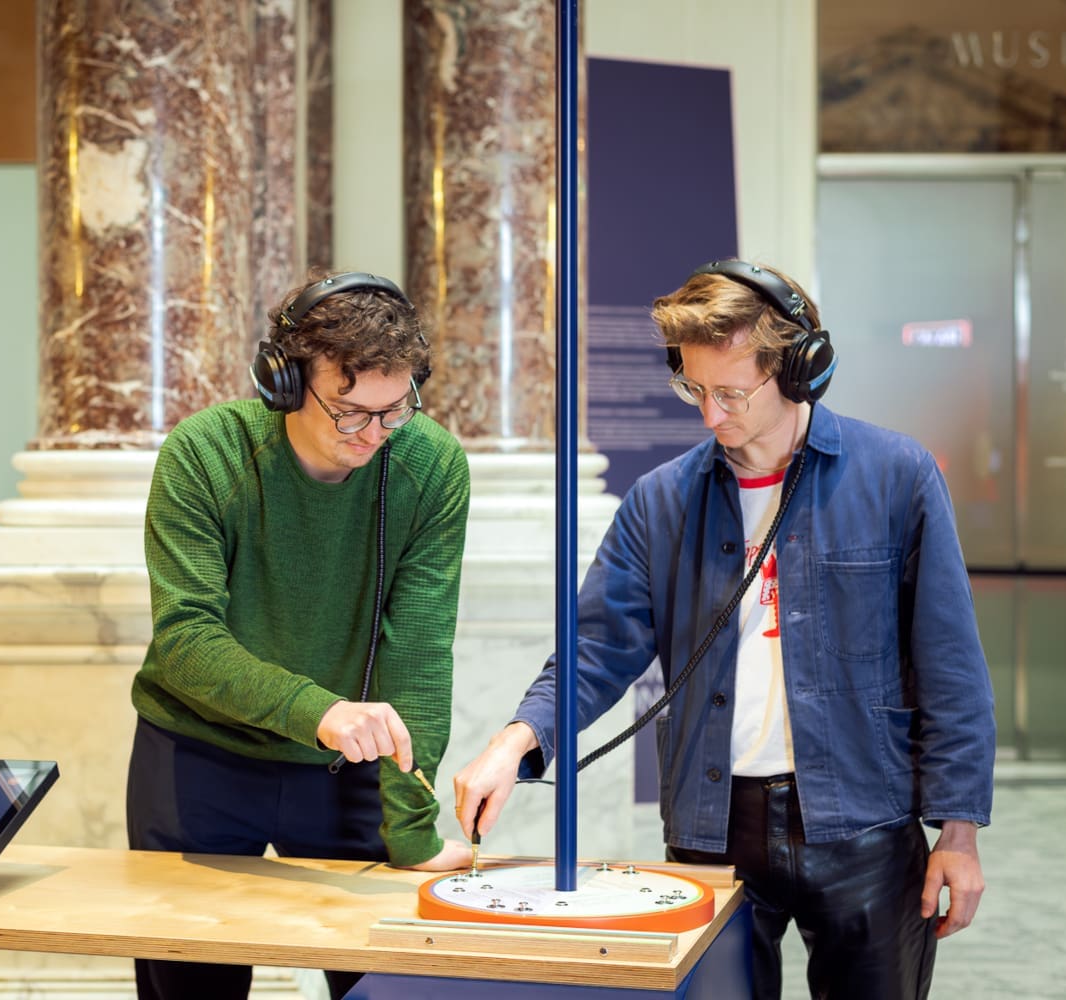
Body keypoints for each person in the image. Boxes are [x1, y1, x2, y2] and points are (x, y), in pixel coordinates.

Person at [453, 259, 994, 999]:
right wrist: (516, 739)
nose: (710, 415)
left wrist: (958, 833)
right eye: (694, 390)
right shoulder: (660, 499)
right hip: (713, 825)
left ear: (799, 371)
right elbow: (596, 646)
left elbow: (950, 665)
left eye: (732, 393)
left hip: (863, 821)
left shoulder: (897, 475)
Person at [127, 270, 474, 1000]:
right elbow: (186, 638)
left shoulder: (430, 464)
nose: (374, 435)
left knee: (383, 982)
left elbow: (416, 649)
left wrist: (413, 831)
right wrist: (319, 710)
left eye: (394, 410)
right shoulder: (205, 455)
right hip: (198, 757)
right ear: (282, 382)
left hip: (342, 768)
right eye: (349, 412)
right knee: (192, 988)